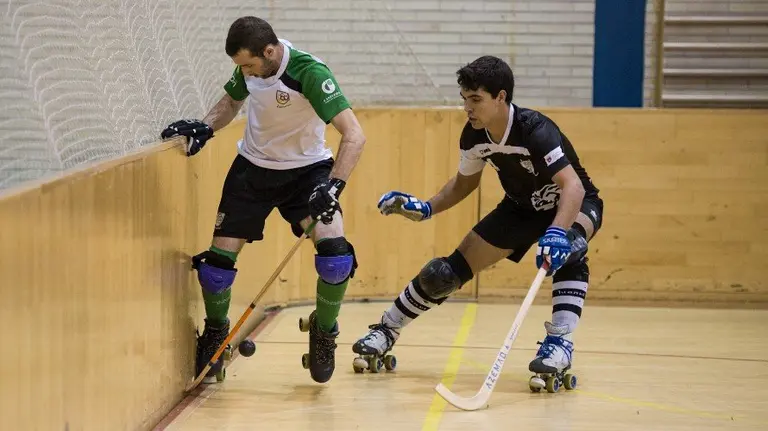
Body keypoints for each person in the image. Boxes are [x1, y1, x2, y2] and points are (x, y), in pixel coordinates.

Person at [352, 55, 603, 386]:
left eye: (475, 100)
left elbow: (572, 186)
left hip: (576, 204)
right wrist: (426, 208)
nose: (467, 108)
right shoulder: (474, 137)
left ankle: (559, 344)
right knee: (442, 274)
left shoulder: (535, 130)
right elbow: (463, 184)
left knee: (567, 249)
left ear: (500, 97)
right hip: (520, 210)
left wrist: (557, 232)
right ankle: (386, 329)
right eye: (464, 99)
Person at [161, 16, 366, 384]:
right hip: (252, 172)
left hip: (308, 174)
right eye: (241, 67)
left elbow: (354, 135)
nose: (245, 73)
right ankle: (216, 332)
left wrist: (333, 187)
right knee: (215, 268)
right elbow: (231, 101)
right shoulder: (251, 69)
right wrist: (207, 126)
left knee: (335, 258)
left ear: (269, 52)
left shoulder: (310, 72)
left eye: (249, 65)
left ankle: (324, 330)